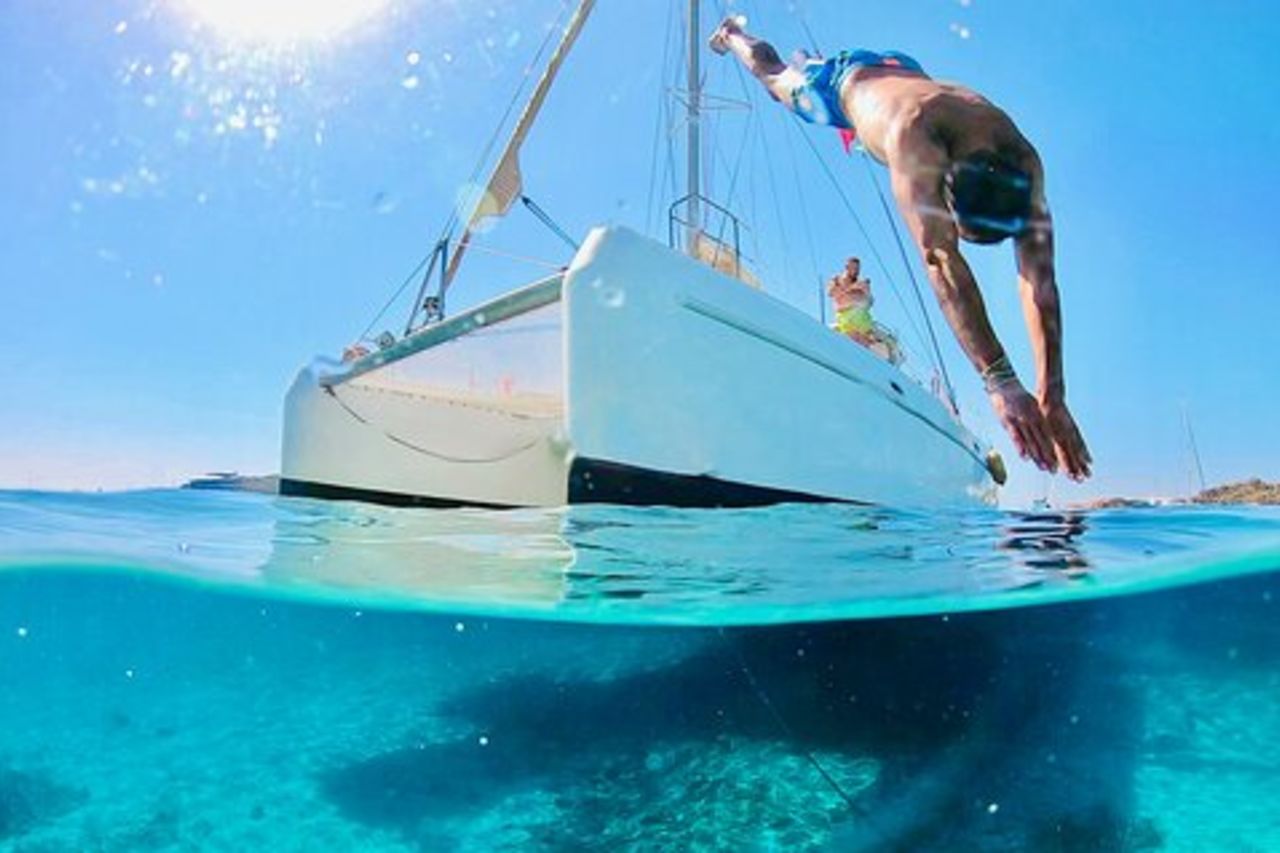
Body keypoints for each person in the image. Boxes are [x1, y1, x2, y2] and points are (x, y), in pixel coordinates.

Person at [709, 17, 1091, 480]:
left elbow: (1040, 283)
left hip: (904, 73)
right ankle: (733, 35)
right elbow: (939, 258)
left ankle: (776, 52)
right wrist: (1002, 382)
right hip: (841, 85)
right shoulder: (915, 137)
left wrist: (1053, 395)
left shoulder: (1024, 166)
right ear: (944, 192)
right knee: (773, 77)